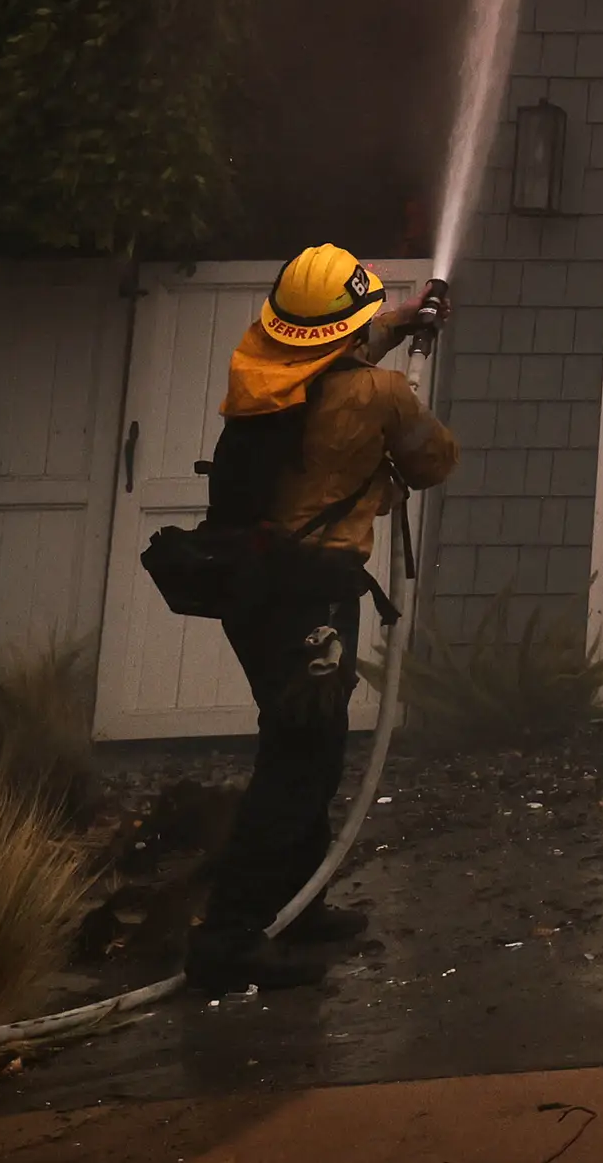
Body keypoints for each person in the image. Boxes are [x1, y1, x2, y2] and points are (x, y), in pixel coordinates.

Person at [185, 245, 456, 996]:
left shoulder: (263, 368)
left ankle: (297, 908)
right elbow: (434, 462)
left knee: (304, 742)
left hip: (252, 586)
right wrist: (400, 392)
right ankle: (232, 937)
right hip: (313, 597)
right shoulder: (381, 394)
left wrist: (401, 321)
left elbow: (335, 364)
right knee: (301, 762)